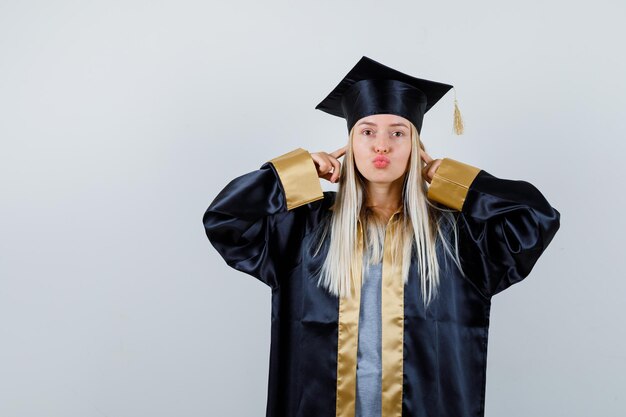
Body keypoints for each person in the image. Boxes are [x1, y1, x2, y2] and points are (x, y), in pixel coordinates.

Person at [202, 56, 560, 417]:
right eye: (368, 131)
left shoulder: (457, 236)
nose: (382, 145)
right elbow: (226, 220)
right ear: (350, 143)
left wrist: (451, 177)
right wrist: (298, 171)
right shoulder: (304, 227)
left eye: (398, 132)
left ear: (416, 146)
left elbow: (535, 218)